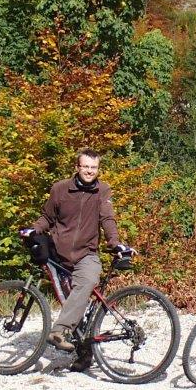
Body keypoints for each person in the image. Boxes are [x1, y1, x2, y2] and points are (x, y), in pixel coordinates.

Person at [29, 148, 132, 353]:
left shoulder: (102, 190)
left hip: (86, 254)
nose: (89, 171)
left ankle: (59, 331)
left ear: (98, 170)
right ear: (77, 167)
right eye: (85, 166)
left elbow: (107, 219)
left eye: (93, 167)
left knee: (87, 280)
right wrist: (34, 229)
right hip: (58, 255)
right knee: (74, 304)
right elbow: (47, 218)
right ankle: (84, 353)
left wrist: (115, 243)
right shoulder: (60, 189)